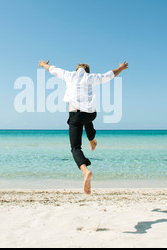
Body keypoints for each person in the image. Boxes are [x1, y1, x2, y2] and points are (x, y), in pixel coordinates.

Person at [38, 60, 129, 194]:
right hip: (91, 115)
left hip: (76, 116)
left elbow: (52, 69)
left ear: (76, 70)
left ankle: (85, 171)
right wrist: (120, 68)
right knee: (87, 119)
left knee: (75, 148)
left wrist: (43, 64)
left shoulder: (69, 75)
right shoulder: (91, 78)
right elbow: (109, 75)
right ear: (87, 71)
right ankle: (92, 140)